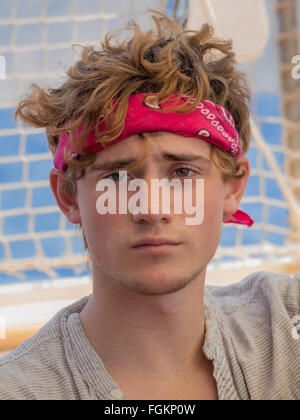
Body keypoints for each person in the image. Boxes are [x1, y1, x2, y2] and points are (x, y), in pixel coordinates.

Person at [0, 10, 299, 401]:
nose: (153, 208)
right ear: (68, 197)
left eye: (183, 173)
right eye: (118, 177)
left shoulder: (286, 324)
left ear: (233, 189)